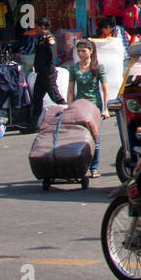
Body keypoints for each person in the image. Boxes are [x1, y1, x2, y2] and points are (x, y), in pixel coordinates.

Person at [66, 39, 109, 178]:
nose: (81, 54)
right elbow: (70, 89)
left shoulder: (98, 67)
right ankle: (81, 168)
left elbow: (105, 89)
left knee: (95, 139)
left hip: (95, 106)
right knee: (79, 138)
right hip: (80, 107)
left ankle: (94, 168)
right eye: (78, 51)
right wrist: (69, 107)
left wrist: (106, 109)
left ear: (91, 51)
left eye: (83, 51)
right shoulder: (74, 68)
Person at [29, 19, 65, 130]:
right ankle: (33, 124)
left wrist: (49, 72)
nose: (36, 29)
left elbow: (52, 57)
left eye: (37, 27)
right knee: (37, 99)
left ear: (43, 27)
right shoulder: (40, 39)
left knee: (56, 97)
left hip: (47, 74)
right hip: (40, 73)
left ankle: (69, 116)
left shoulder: (50, 39)